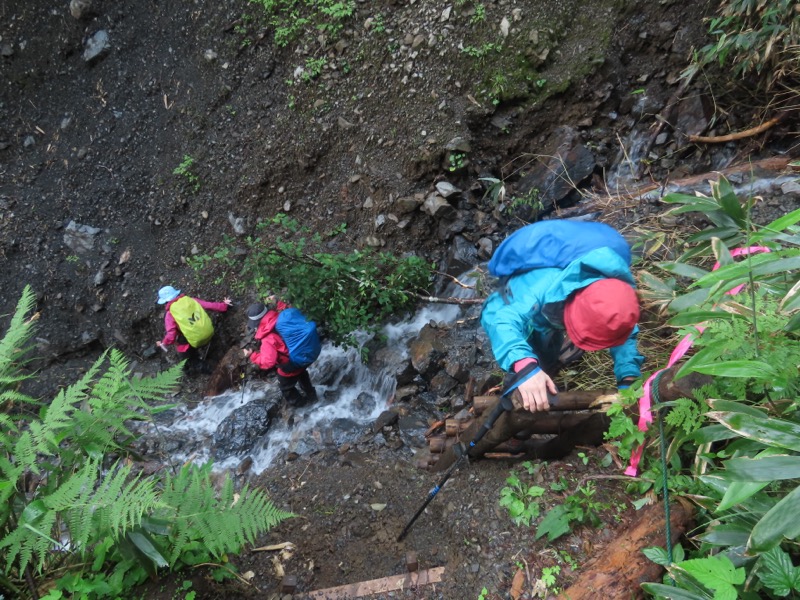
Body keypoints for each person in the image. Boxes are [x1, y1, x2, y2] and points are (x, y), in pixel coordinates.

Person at [480, 219, 644, 413]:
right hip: (511, 305)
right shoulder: (540, 289)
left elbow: (621, 331)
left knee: (546, 358)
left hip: (551, 319)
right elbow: (503, 321)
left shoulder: (613, 293)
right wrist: (525, 367)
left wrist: (628, 378)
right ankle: (518, 392)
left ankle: (543, 374)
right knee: (527, 358)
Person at [242, 298, 318, 406]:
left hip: (290, 364)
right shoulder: (282, 317)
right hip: (303, 354)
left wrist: (253, 355)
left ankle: (303, 406)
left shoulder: (268, 338)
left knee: (286, 388)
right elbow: (290, 308)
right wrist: (278, 302)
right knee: (302, 374)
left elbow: (268, 362)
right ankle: (312, 396)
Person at [155, 285, 232, 374]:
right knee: (192, 350)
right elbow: (209, 305)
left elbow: (171, 335)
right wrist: (224, 305)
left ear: (165, 301)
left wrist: (164, 343)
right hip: (208, 332)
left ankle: (213, 372)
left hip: (190, 341)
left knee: (189, 360)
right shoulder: (190, 300)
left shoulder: (170, 314)